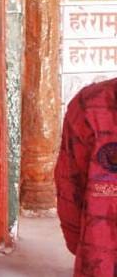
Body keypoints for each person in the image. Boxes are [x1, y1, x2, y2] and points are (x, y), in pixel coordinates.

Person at [55, 78, 117, 277]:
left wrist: (82, 241)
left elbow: (70, 187)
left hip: (100, 256)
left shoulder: (89, 104)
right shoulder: (88, 106)